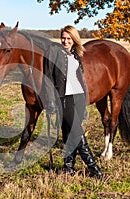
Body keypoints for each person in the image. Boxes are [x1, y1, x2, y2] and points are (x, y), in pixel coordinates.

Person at [42, 25, 103, 179]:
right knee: (77, 132)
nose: (65, 41)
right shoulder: (53, 53)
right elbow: (47, 78)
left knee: (70, 133)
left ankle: (68, 167)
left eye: (69, 38)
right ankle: (94, 169)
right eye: (63, 37)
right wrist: (49, 102)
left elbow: (79, 78)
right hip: (64, 98)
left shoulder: (75, 55)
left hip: (79, 97)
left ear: (74, 39)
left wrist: (84, 98)